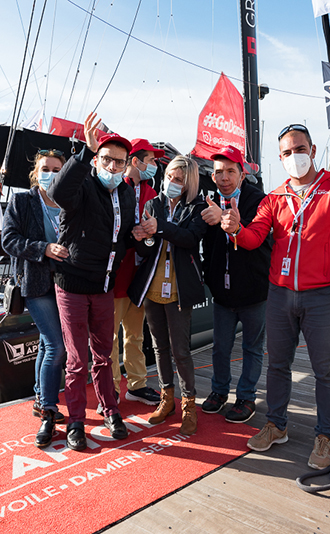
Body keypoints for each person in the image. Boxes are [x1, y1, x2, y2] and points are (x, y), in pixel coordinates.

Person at [220, 124, 330, 469]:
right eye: (286, 153)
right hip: (281, 293)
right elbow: (255, 237)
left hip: (322, 295)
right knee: (278, 364)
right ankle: (276, 425)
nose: (293, 157)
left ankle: (326, 436)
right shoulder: (275, 197)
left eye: (299, 149)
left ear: (312, 151)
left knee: (325, 369)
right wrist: (236, 229)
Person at [47, 113, 137, 451]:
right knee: (76, 361)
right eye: (107, 159)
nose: (113, 167)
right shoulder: (82, 184)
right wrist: (84, 152)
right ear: (97, 159)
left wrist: (139, 237)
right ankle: (75, 422)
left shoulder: (126, 195)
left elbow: (122, 237)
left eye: (119, 162)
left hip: (104, 286)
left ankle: (110, 410)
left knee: (104, 355)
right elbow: (58, 191)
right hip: (71, 283)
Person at [128, 155, 206, 436]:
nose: (171, 182)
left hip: (178, 288)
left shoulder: (197, 206)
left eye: (178, 179)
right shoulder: (153, 204)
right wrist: (143, 236)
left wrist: (159, 227)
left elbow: (189, 239)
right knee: (159, 347)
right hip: (152, 285)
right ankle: (166, 399)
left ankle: (189, 405)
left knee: (180, 350)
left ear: (188, 184)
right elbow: (145, 251)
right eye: (170, 176)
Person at [1, 149, 69, 448]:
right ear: (35, 171)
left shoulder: (71, 200)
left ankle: (41, 397)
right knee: (57, 345)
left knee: (46, 342)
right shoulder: (22, 201)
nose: (50, 173)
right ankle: (49, 410)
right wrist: (43, 248)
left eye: (57, 169)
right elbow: (9, 240)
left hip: (67, 283)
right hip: (36, 283)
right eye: (45, 168)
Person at [199, 146, 271, 423]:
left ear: (242, 175)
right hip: (222, 292)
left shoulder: (259, 201)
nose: (224, 177)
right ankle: (219, 392)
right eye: (219, 172)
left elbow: (259, 239)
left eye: (230, 171)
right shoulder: (206, 201)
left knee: (252, 347)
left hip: (254, 290)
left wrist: (229, 225)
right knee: (220, 346)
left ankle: (246, 396)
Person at [105, 139, 163, 410]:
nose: (155, 165)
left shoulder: (152, 193)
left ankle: (137, 385)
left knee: (135, 335)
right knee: (110, 337)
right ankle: (112, 388)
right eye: (151, 160)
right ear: (136, 161)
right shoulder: (114, 187)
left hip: (141, 276)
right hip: (116, 274)